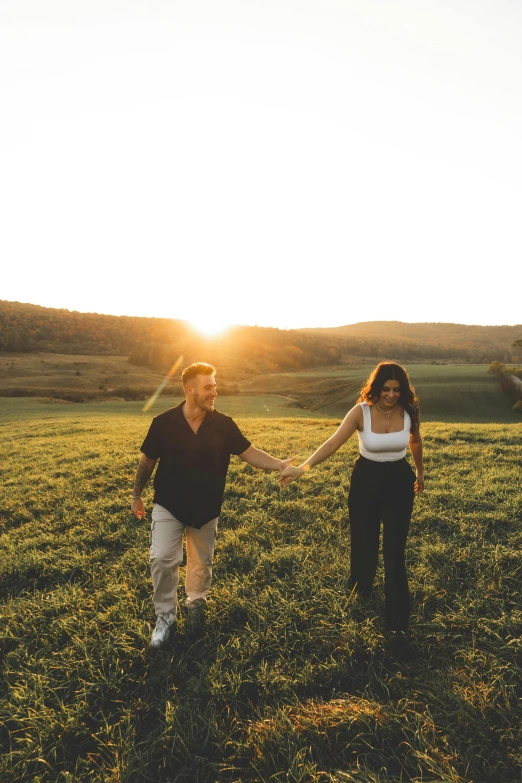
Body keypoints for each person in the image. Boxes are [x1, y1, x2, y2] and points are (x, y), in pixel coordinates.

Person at [131, 362, 293, 648]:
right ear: (189, 389)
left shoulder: (223, 425)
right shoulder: (164, 423)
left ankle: (197, 606)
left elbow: (250, 453)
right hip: (168, 504)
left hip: (206, 507)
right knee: (162, 559)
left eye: (215, 386)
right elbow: (147, 462)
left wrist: (279, 464)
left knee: (200, 565)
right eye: (208, 387)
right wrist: (136, 495)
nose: (214, 392)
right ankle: (165, 619)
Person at [280, 361, 424, 634]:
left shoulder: (409, 411)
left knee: (395, 550)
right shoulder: (361, 412)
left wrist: (419, 471)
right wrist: (302, 468)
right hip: (366, 480)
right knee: (364, 537)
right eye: (386, 389)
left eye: (397, 389)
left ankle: (397, 623)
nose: (391, 395)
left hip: (399, 481)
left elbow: (415, 441)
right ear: (376, 388)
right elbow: (333, 442)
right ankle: (361, 586)